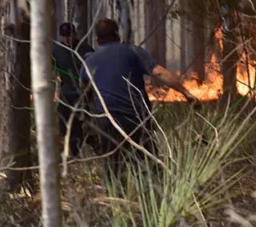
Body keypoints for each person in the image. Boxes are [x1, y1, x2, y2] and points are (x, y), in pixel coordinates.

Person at [79, 19, 199, 174]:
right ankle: (152, 187)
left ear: (97, 39)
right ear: (117, 35)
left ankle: (115, 188)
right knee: (147, 166)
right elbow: (159, 73)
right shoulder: (133, 51)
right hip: (136, 118)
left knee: (114, 168)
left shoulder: (89, 60)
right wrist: (186, 93)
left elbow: (83, 87)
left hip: (108, 120)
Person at [53, 22, 94, 156]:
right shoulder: (57, 51)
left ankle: (81, 151)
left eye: (69, 35)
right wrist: (56, 90)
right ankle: (71, 152)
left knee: (80, 123)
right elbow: (54, 70)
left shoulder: (85, 49)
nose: (67, 39)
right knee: (65, 124)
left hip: (83, 93)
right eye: (64, 36)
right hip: (65, 93)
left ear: (74, 34)